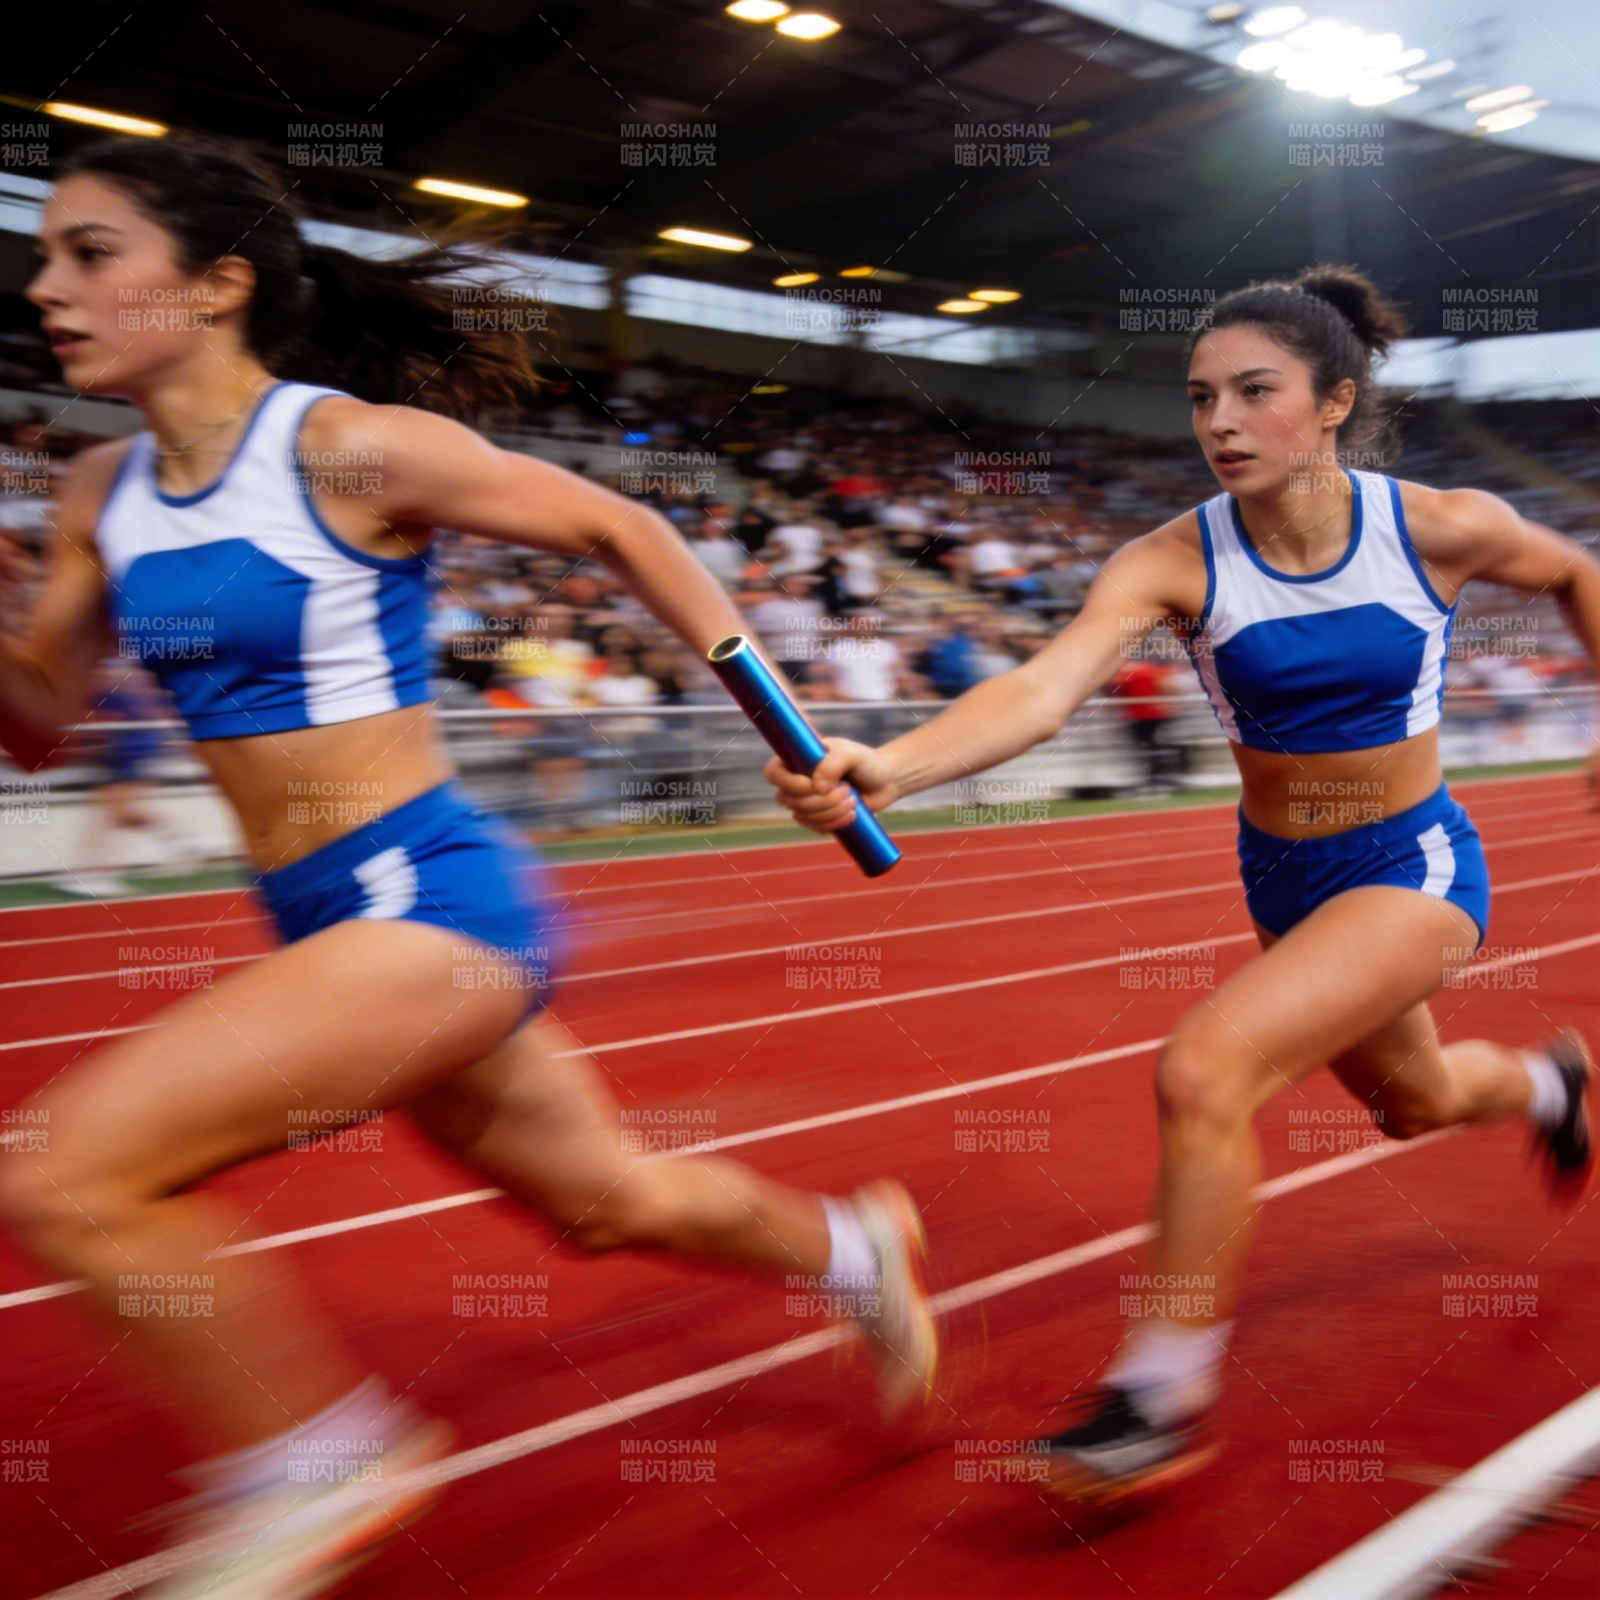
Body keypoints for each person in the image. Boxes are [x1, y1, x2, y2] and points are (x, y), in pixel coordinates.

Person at [0, 133, 936, 1598]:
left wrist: (786, 724)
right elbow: (42, 724)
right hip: (325, 927)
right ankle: (851, 1248)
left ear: (217, 284)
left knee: (64, 1176)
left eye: (90, 252)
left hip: (429, 897)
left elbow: (619, 525)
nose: (47, 285)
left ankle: (314, 1456)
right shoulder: (97, 492)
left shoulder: (345, 448)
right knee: (602, 1204)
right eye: (46, 255)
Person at [765, 264, 1598, 1505]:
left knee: (1206, 1068)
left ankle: (1154, 1395)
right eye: (1199, 395)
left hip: (1411, 863)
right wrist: (889, 763)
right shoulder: (1170, 562)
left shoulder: (1438, 525)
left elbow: (1582, 574)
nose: (1216, 421)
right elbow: (1041, 692)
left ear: (1331, 403)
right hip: (1284, 878)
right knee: (1413, 1101)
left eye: (1252, 392)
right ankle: (1552, 1081)